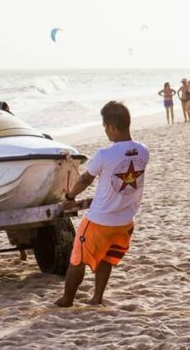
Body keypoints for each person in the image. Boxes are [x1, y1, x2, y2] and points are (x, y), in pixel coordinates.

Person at [56, 101, 148, 307]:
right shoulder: (143, 151)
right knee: (106, 258)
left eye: (105, 127)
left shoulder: (104, 155)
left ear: (112, 127)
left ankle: (67, 299)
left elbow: (85, 180)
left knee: (77, 258)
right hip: (125, 221)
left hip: (100, 220)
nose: (105, 131)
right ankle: (97, 297)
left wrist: (70, 197)